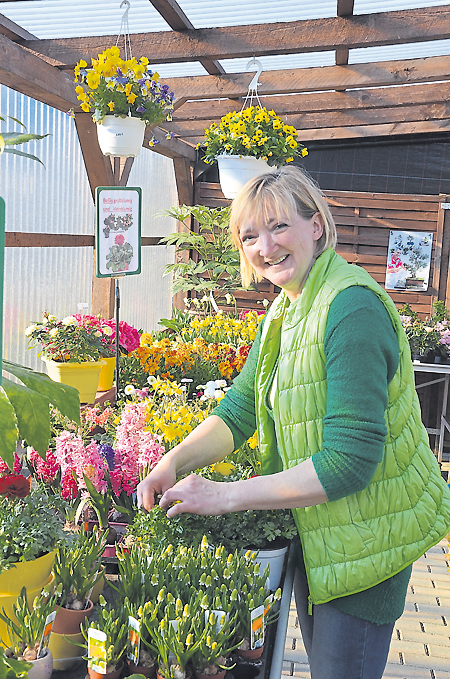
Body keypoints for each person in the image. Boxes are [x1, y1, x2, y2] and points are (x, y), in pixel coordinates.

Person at [137, 167, 450, 679]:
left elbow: (350, 462)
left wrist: (226, 494)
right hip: (320, 531)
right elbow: (238, 411)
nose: (266, 246)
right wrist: (171, 463)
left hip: (366, 547)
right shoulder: (287, 310)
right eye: (249, 236)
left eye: (279, 226)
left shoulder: (351, 308)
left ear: (316, 226)